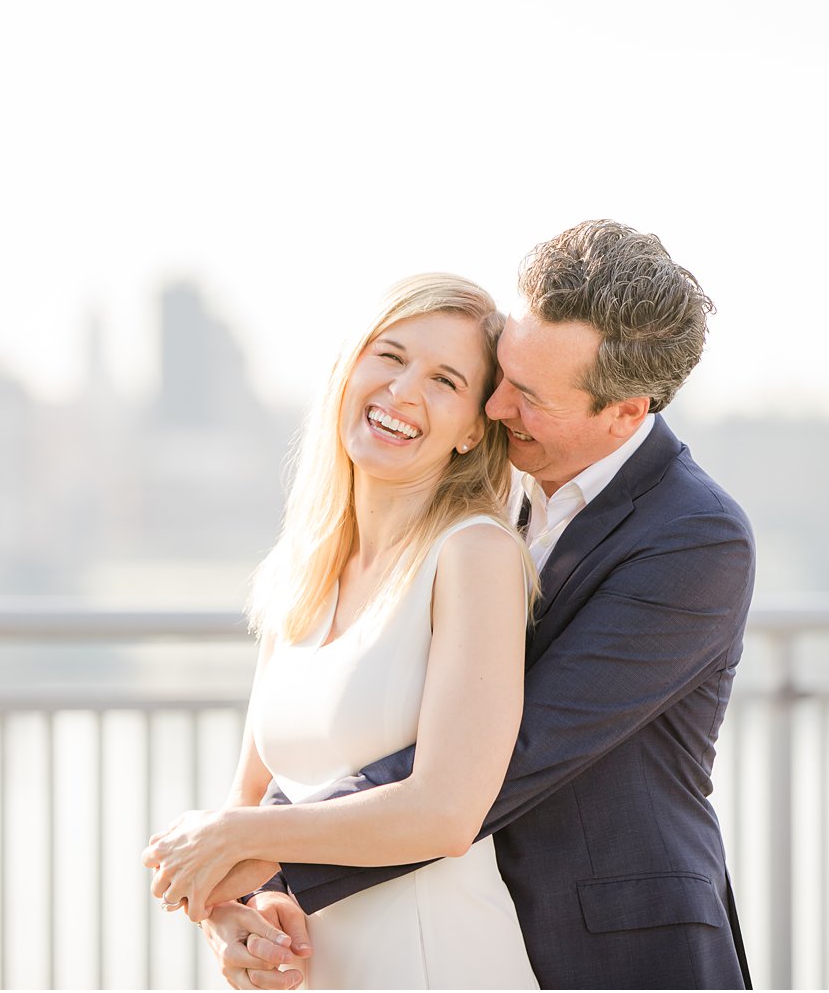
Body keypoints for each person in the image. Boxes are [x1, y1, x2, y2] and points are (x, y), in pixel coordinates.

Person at [193, 220, 756, 990]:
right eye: (501, 372)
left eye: (525, 392)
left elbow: (513, 755)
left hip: (615, 952)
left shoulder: (696, 539)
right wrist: (252, 887)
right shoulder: (484, 496)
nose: (494, 405)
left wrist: (262, 852)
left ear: (624, 411)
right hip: (440, 923)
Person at [142, 272, 543, 989]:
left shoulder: (475, 554)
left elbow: (447, 810)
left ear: (472, 430)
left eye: (446, 380)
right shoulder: (302, 569)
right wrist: (241, 917)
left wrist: (243, 841)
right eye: (389, 356)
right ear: (350, 367)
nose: (404, 390)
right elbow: (254, 803)